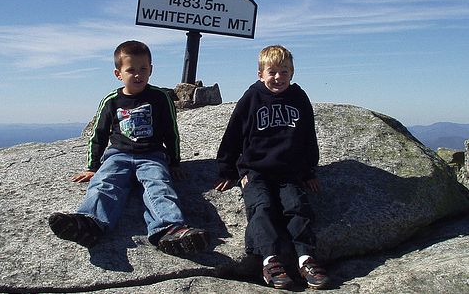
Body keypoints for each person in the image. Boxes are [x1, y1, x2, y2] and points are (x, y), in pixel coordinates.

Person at [49, 40, 210, 256]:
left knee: (159, 187)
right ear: (118, 73)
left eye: (143, 69)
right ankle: (89, 223)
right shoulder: (111, 100)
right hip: (118, 155)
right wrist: (93, 167)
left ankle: (169, 229)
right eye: (130, 70)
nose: (138, 74)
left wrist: (173, 162)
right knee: (105, 182)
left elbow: (171, 131)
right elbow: (99, 135)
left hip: (152, 156)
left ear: (151, 70)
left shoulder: (160, 98)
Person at [214, 45, 330, 290]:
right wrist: (227, 170)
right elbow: (233, 133)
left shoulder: (299, 98)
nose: (278, 77)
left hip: (289, 170)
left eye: (284, 71)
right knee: (261, 207)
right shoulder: (252, 97)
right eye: (272, 72)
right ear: (260, 74)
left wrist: (309, 170)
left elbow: (308, 136)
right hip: (255, 169)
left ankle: (306, 259)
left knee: (298, 207)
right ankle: (270, 261)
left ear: (292, 73)